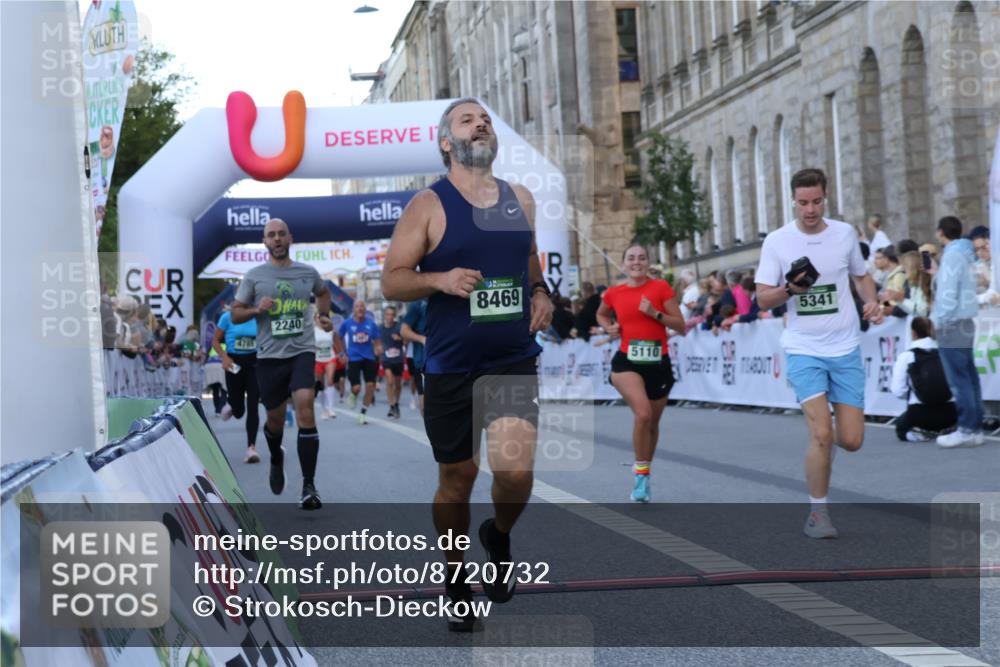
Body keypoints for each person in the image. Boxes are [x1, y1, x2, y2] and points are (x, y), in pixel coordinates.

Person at [380, 97, 553, 631]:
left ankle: (498, 535)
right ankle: (455, 575)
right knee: (458, 480)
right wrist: (439, 280)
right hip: (452, 365)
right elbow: (392, 279)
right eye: (466, 120)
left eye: (485, 119)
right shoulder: (428, 205)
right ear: (446, 142)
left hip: (511, 359)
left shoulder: (519, 198)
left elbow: (527, 258)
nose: (480, 123)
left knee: (516, 471)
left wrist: (541, 290)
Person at [755, 168, 882, 539]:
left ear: (825, 198)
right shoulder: (778, 242)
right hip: (803, 347)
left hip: (844, 347)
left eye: (816, 202)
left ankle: (826, 448)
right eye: (803, 202)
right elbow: (763, 296)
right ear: (792, 201)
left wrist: (871, 301)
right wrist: (791, 290)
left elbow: (860, 276)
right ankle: (818, 515)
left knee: (852, 440)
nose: (810, 209)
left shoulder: (844, 234)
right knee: (821, 434)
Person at [230, 218, 334, 511]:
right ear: (264, 241)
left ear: (290, 238)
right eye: (270, 235)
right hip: (268, 358)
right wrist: (255, 309)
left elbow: (323, 293)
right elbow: (236, 314)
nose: (276, 239)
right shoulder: (254, 276)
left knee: (305, 407)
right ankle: (276, 456)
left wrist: (324, 315)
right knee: (274, 421)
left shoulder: (307, 273)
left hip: (301, 352)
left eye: (281, 234)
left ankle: (308, 486)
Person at [596, 242, 684, 502]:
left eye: (642, 258)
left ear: (648, 263)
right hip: (627, 362)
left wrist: (655, 313)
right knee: (643, 415)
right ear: (623, 264)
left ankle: (645, 474)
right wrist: (608, 327)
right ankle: (640, 475)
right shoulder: (613, 293)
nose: (636, 262)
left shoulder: (660, 288)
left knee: (652, 423)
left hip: (659, 363)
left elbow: (680, 325)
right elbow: (601, 315)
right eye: (631, 258)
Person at [930, 216, 985, 448]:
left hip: (952, 322)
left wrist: (938, 320)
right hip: (966, 319)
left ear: (941, 232)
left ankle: (965, 428)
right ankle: (974, 427)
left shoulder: (952, 255)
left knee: (959, 379)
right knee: (969, 377)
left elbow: (948, 293)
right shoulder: (966, 254)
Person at [890, 317, 957, 442]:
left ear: (913, 333)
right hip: (950, 412)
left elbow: (898, 391)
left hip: (919, 414)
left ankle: (918, 434)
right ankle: (947, 430)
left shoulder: (906, 356)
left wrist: (914, 393)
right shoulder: (946, 354)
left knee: (901, 427)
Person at [213, 305, 262, 462]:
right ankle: (231, 404)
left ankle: (251, 448)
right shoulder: (228, 317)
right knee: (239, 411)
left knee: (253, 404)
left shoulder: (257, 316)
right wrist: (224, 356)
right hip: (234, 362)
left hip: (254, 363)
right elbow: (215, 340)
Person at [336, 299, 382, 424]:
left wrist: (378, 348)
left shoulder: (371, 324)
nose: (360, 308)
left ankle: (363, 413)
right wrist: (342, 353)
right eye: (357, 306)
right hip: (354, 358)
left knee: (371, 385)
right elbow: (338, 337)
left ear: (365, 309)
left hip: (369, 358)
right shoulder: (347, 323)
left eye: (362, 306)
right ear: (353, 310)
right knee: (356, 387)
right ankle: (353, 394)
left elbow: (377, 341)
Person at [400, 297, 428, 415]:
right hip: (422, 360)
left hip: (447, 360)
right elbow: (404, 331)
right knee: (425, 403)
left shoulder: (449, 298)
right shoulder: (418, 304)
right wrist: (422, 339)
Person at [379, 305, 406, 419]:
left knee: (398, 384)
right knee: (389, 381)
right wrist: (377, 348)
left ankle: (396, 404)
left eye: (392, 315)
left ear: (394, 316)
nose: (390, 317)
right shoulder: (380, 328)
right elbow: (375, 341)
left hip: (398, 359)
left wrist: (400, 339)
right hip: (386, 358)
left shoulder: (399, 327)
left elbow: (407, 340)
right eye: (388, 314)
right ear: (385, 315)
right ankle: (391, 404)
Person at [313, 310, 338, 420]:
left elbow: (337, 342)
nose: (320, 320)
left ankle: (331, 408)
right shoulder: (312, 331)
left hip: (330, 358)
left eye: (322, 317)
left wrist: (341, 353)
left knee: (331, 381)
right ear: (315, 320)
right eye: (318, 318)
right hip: (318, 359)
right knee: (321, 385)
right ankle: (324, 410)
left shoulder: (331, 329)